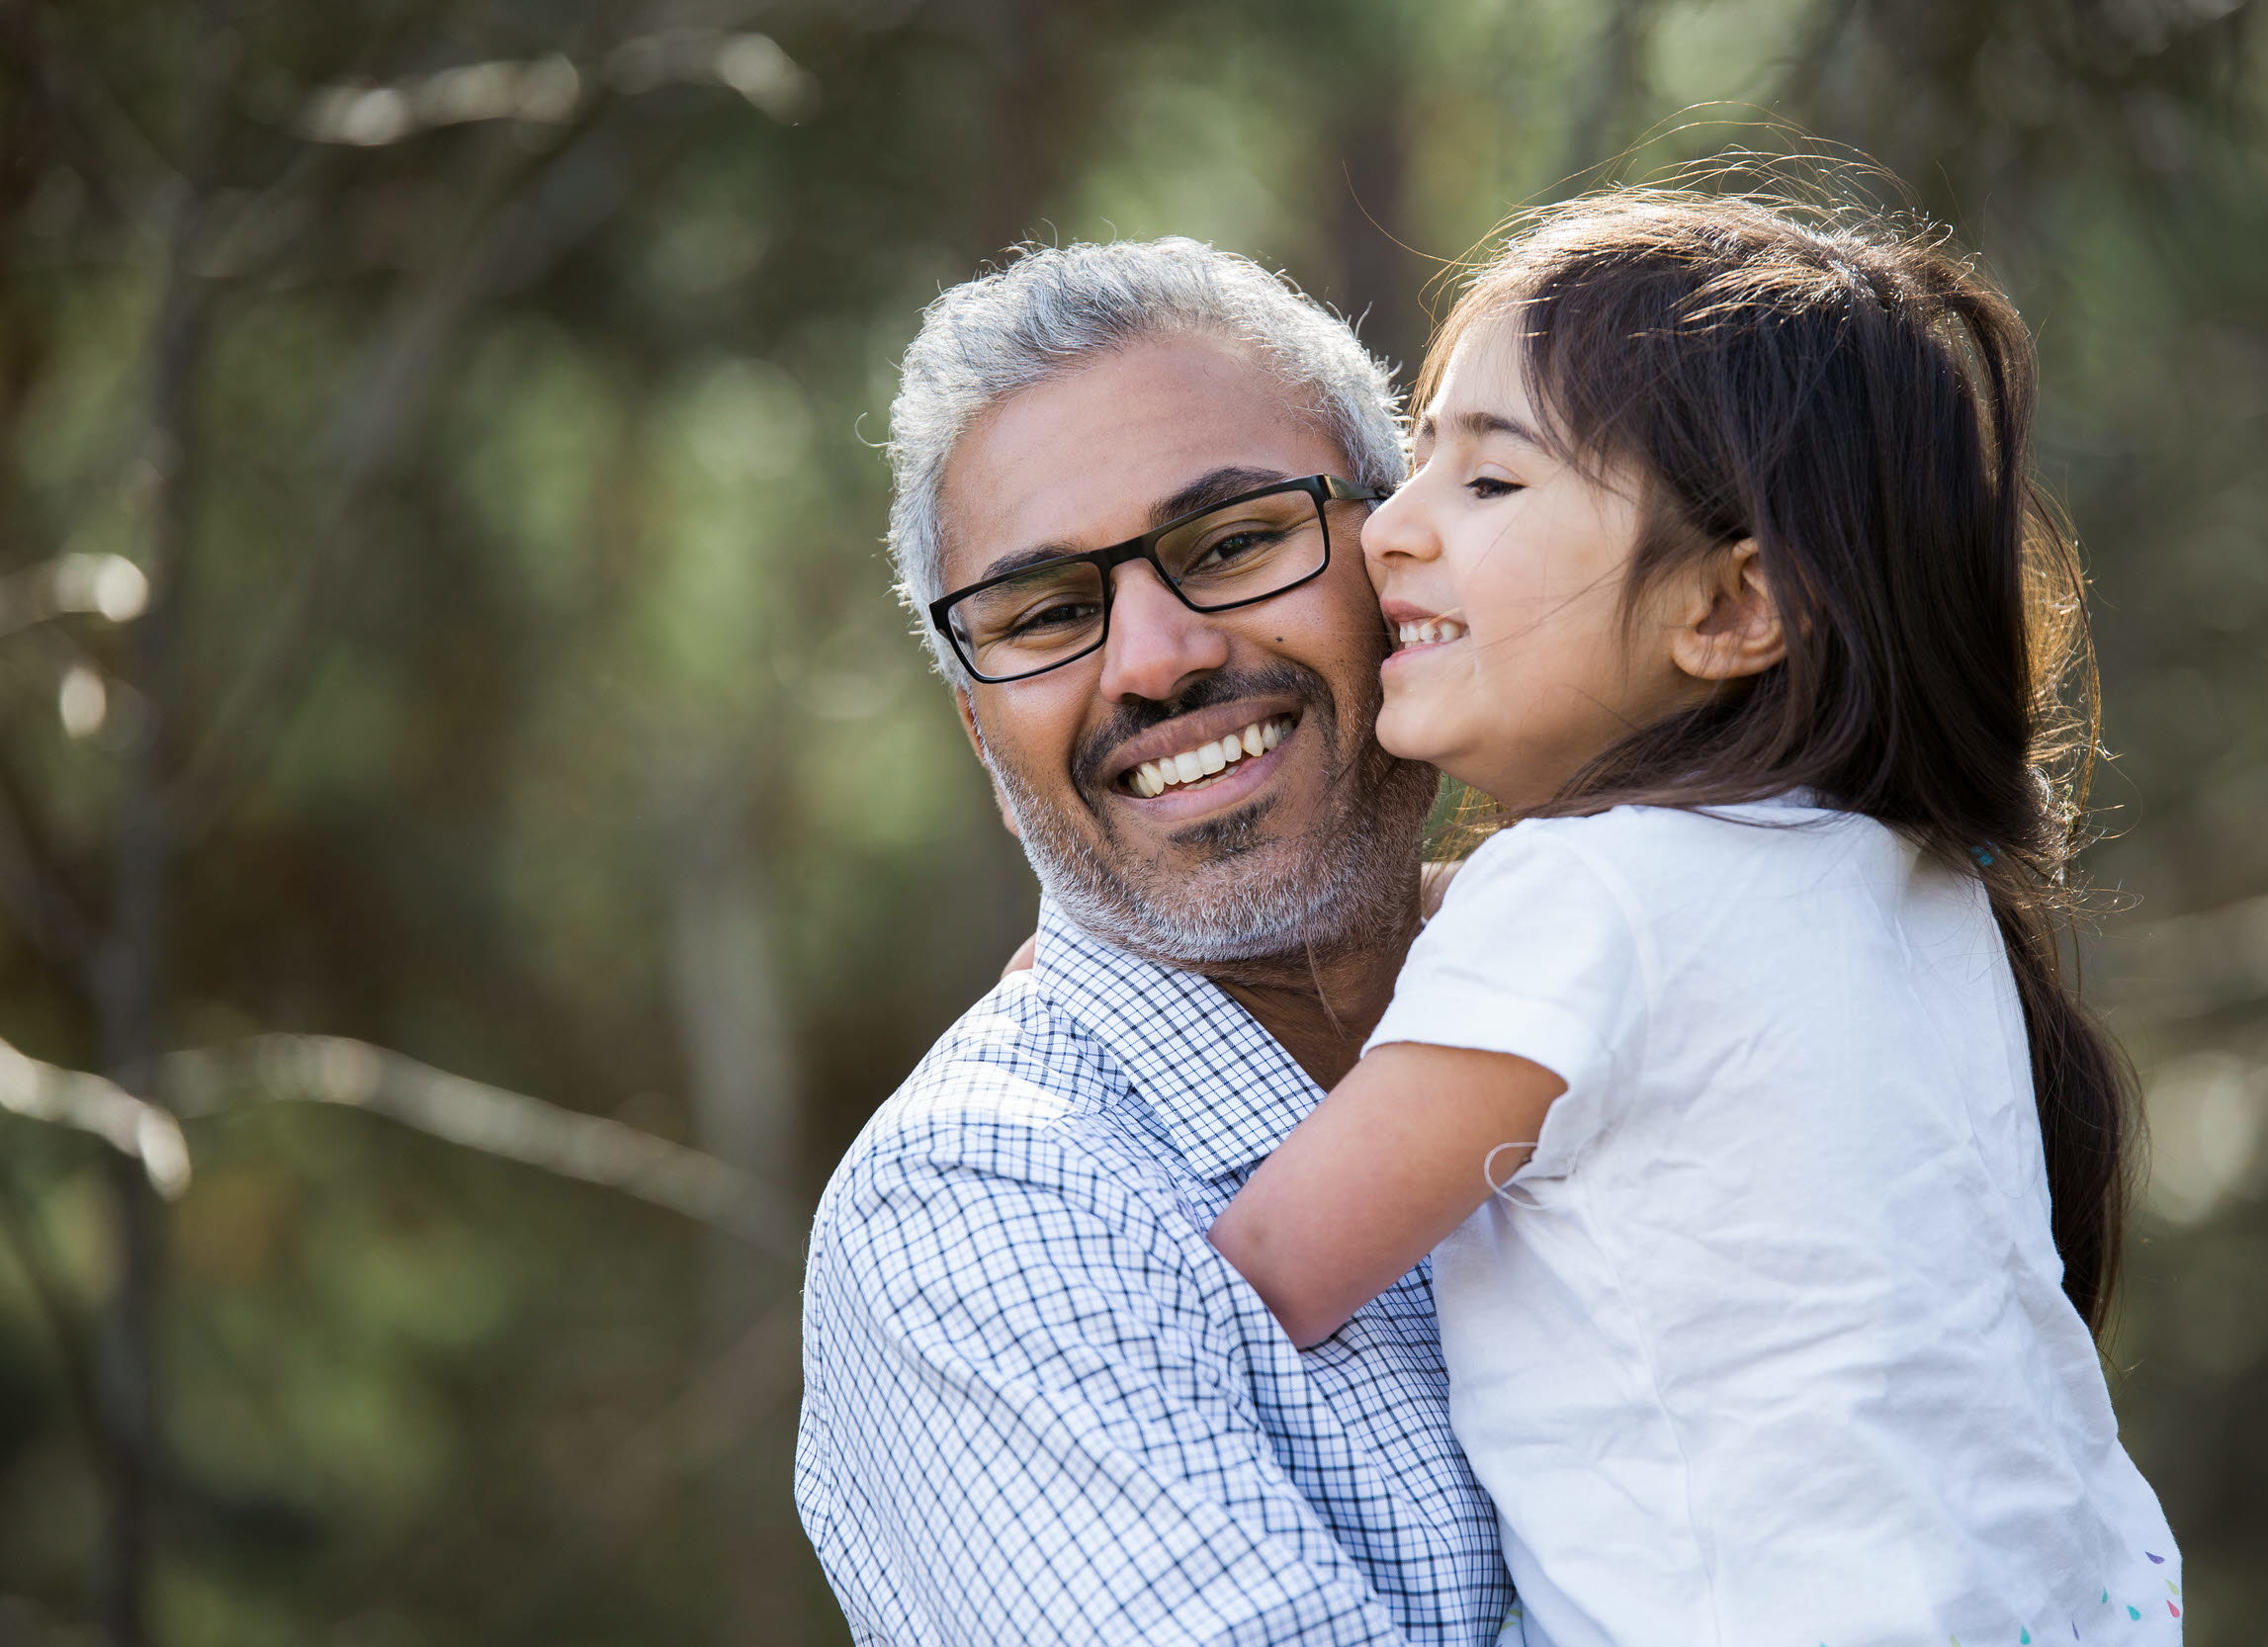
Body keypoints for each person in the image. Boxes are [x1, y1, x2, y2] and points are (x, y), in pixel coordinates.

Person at [1207, 189, 2184, 1647]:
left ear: (1733, 609)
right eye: (1417, 462)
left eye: (1491, 482)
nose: (1388, 532)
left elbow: (1262, 1279)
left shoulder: (1578, 905)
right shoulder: (1902, 872)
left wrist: (1137, 992)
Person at [794, 238, 1513, 1644]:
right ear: (981, 735)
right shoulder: (985, 1211)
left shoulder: (1631, 977)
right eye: (1050, 613)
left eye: (1234, 541)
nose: (1155, 659)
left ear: (1405, 569)